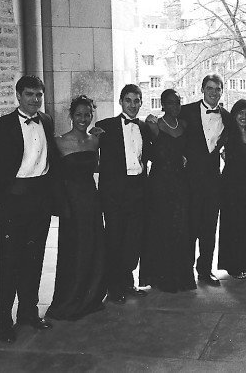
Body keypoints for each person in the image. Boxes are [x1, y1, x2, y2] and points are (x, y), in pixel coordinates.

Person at [0, 75, 56, 343]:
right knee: (9, 263)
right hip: (13, 203)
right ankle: (4, 322)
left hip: (40, 201)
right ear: (18, 95)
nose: (35, 99)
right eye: (29, 94)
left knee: (34, 259)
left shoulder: (46, 121)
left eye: (39, 95)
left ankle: (28, 313)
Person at [45, 95, 107, 320]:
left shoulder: (95, 141)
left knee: (93, 247)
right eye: (79, 115)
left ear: (92, 116)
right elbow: (54, 178)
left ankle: (90, 297)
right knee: (74, 250)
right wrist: (61, 205)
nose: (83, 119)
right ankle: (70, 299)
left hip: (91, 200)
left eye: (87, 115)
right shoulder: (58, 142)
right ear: (71, 116)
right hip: (71, 203)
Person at [96, 84, 151, 304]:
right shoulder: (104, 127)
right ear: (120, 102)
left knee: (133, 239)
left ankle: (128, 282)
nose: (133, 105)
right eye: (128, 100)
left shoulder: (144, 127)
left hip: (138, 189)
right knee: (115, 239)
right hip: (115, 192)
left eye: (137, 101)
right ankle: (114, 287)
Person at [179, 74, 233, 286]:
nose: (213, 92)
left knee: (209, 228)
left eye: (217, 89)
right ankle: (185, 271)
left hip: (213, 180)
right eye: (209, 88)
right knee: (189, 227)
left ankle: (205, 271)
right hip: (190, 180)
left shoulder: (227, 117)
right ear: (202, 89)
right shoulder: (186, 111)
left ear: (222, 91)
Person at [140, 89, 196, 292]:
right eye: (170, 102)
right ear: (163, 105)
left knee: (180, 228)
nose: (175, 106)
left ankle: (181, 277)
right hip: (160, 183)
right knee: (161, 228)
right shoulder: (154, 125)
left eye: (177, 102)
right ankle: (163, 278)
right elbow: (147, 152)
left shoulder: (184, 125)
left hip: (180, 182)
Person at [218, 99, 246, 279]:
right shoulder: (227, 132)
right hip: (231, 186)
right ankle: (234, 267)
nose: (244, 117)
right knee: (233, 226)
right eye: (240, 113)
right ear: (234, 114)